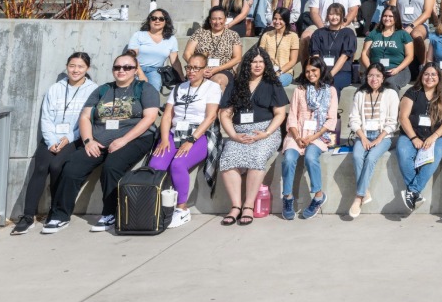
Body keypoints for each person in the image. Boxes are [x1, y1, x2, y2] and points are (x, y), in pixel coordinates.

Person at [42, 52, 161, 233]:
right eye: (117, 67)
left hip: (135, 138)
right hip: (98, 139)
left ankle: (109, 213)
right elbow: (84, 117)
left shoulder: (144, 89)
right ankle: (60, 215)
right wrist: (88, 141)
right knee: (72, 167)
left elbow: (150, 117)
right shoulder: (102, 90)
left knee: (111, 167)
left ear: (135, 70)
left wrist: (123, 140)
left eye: (127, 67)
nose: (121, 70)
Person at [15, 51, 98, 233]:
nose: (75, 70)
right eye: (72, 66)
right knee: (41, 167)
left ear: (87, 68)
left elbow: (88, 120)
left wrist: (68, 138)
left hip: (74, 139)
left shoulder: (93, 89)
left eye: (80, 67)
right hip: (51, 137)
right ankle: (28, 216)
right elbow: (45, 118)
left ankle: (55, 211)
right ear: (67, 67)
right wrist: (51, 140)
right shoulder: (55, 89)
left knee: (57, 166)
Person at [215, 47, 289, 226]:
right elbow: (225, 114)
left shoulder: (273, 83)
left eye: (261, 62)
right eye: (254, 61)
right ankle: (236, 206)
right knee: (227, 159)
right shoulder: (236, 83)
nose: (257, 65)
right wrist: (233, 135)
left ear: (266, 64)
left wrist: (266, 133)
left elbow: (280, 113)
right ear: (247, 63)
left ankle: (248, 205)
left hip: (265, 131)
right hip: (239, 132)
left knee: (256, 157)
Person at [146, 53, 221, 229]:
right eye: (189, 67)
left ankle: (182, 209)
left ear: (204, 70)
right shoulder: (179, 88)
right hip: (175, 132)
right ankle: (153, 206)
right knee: (156, 164)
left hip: (200, 134)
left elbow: (210, 117)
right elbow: (166, 116)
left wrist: (191, 140)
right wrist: (164, 139)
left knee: (178, 164)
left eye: (197, 68)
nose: (191, 71)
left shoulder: (212, 87)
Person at [280, 59, 340, 220]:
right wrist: (298, 137)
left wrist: (311, 138)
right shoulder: (299, 90)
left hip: (318, 135)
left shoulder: (331, 91)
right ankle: (287, 197)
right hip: (297, 133)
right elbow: (292, 116)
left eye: (314, 70)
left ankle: (319, 196)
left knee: (311, 157)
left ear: (321, 70)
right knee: (289, 159)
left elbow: (331, 120)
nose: (310, 74)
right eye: (307, 71)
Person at [396, 63, 442, 213]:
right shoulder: (412, 92)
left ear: (439, 77)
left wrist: (434, 137)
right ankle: (415, 192)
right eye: (426, 74)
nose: (430, 78)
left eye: (434, 75)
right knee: (403, 154)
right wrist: (414, 137)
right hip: (412, 133)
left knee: (433, 157)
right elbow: (403, 118)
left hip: (438, 135)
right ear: (421, 76)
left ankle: (413, 190)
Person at [346, 63, 400, 218]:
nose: (374, 79)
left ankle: (358, 197)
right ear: (366, 77)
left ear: (383, 78)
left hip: (383, 136)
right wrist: (362, 137)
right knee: (357, 156)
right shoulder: (360, 94)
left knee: (370, 158)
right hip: (362, 134)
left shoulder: (391, 94)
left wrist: (378, 139)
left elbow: (392, 122)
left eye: (377, 75)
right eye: (370, 75)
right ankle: (365, 192)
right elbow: (354, 119)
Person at [183, 5, 242, 90]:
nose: (217, 22)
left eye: (220, 18)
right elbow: (187, 53)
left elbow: (237, 58)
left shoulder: (233, 35)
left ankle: (216, 103)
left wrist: (218, 68)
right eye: (214, 19)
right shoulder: (200, 32)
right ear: (210, 20)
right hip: (199, 69)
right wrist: (199, 68)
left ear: (225, 19)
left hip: (223, 70)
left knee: (218, 81)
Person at [360, 2, 414, 92]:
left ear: (396, 18)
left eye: (390, 16)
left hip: (398, 70)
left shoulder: (403, 34)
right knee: (369, 81)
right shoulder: (374, 33)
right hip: (376, 69)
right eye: (385, 16)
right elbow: (364, 53)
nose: (387, 18)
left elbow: (410, 56)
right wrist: (371, 69)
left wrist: (397, 69)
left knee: (390, 83)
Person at [304, 2, 357, 91]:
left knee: (332, 84)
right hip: (320, 71)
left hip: (341, 72)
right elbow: (315, 56)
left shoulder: (348, 33)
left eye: (337, 14)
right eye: (331, 14)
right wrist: (319, 73)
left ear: (342, 16)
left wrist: (330, 74)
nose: (334, 17)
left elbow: (344, 57)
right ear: (327, 16)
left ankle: (332, 105)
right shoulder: (319, 33)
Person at [127, 8, 180, 93]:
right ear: (149, 20)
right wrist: (140, 74)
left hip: (155, 71)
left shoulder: (171, 39)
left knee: (153, 93)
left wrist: (182, 79)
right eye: (154, 18)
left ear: (166, 21)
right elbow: (131, 56)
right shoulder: (139, 35)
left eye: (161, 19)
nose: (157, 21)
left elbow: (175, 62)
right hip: (136, 68)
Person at [259, 6, 301, 87]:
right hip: (267, 71)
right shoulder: (266, 35)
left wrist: (279, 72)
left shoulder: (293, 36)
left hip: (285, 73)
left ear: (286, 20)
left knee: (276, 81)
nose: (277, 21)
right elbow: (260, 55)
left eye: (281, 19)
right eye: (275, 18)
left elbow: (293, 61)